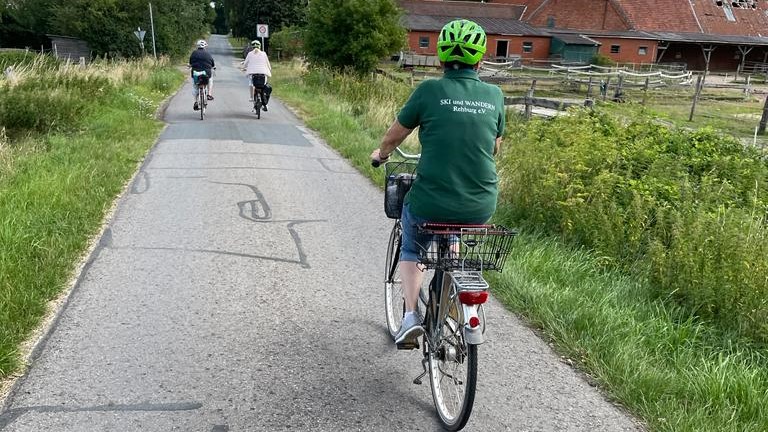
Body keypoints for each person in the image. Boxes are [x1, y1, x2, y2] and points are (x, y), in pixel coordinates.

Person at [370, 19, 505, 345]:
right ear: (480, 58)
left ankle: (411, 317)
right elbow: (494, 147)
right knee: (455, 228)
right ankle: (453, 297)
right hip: (481, 203)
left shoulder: (430, 91)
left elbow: (394, 135)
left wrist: (382, 154)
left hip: (432, 200)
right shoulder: (494, 94)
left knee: (413, 246)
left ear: (442, 58)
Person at [241, 39, 272, 111]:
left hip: (253, 75)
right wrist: (269, 69)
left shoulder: (249, 54)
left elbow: (245, 64)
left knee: (251, 84)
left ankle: (252, 98)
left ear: (252, 47)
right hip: (263, 75)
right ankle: (266, 104)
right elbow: (268, 65)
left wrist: (243, 68)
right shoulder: (264, 54)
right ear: (260, 46)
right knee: (264, 86)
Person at [189, 39, 216, 111]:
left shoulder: (194, 53)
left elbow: (190, 62)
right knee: (210, 80)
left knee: (195, 87)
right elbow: (212, 64)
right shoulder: (208, 54)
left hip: (196, 73)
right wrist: (213, 67)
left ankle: (195, 101)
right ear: (205, 46)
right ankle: (209, 94)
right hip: (206, 73)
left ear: (197, 46)